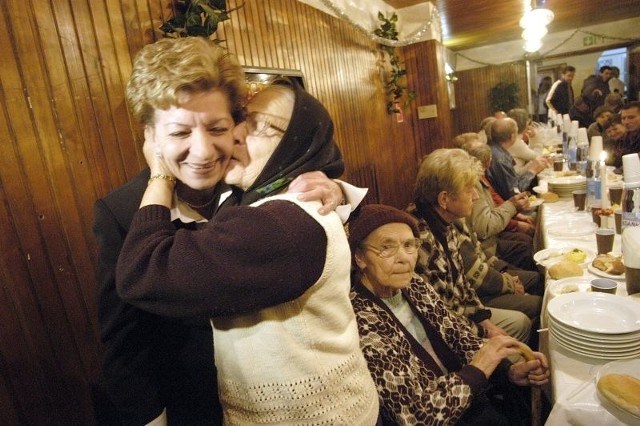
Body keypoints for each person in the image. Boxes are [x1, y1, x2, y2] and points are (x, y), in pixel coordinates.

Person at [93, 38, 349, 425]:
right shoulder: (122, 212)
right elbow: (124, 346)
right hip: (191, 405)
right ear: (151, 136)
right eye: (179, 133)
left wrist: (336, 186)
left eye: (216, 128)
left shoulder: (252, 179)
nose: (203, 151)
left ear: (236, 127)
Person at [348, 204, 550, 425]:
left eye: (409, 245)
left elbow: (460, 337)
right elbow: (416, 417)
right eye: (386, 247)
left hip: (467, 400)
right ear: (360, 257)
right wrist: (478, 369)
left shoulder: (413, 284)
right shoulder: (360, 319)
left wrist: (509, 371)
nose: (404, 258)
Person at [410, 148, 533, 343]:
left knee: (519, 323)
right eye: (469, 189)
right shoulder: (420, 239)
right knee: (522, 321)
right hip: (443, 331)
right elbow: (443, 313)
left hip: (464, 313)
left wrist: (484, 320)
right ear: (444, 199)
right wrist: (485, 332)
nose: (476, 196)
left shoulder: (446, 220)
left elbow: (462, 285)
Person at [487, 118, 549, 200]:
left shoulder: (495, 150)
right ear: (512, 137)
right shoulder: (501, 159)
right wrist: (531, 171)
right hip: (509, 207)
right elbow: (514, 192)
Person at [506, 108, 545, 174]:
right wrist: (536, 137)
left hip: (516, 175)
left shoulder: (512, 139)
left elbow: (527, 153)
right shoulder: (515, 142)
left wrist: (532, 138)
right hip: (518, 178)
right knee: (539, 161)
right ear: (525, 124)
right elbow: (537, 156)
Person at [611, 101, 640, 170]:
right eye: (623, 118)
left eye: (631, 117)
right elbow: (615, 161)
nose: (626, 122)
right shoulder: (623, 138)